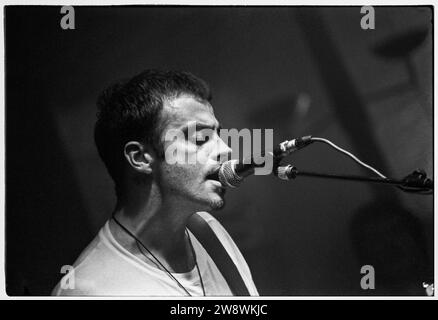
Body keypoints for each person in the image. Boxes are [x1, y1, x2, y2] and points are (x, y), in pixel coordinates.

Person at [52, 69, 258, 296]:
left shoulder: (209, 231)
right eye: (201, 138)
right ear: (140, 158)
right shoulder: (87, 290)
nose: (226, 149)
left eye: (217, 135)